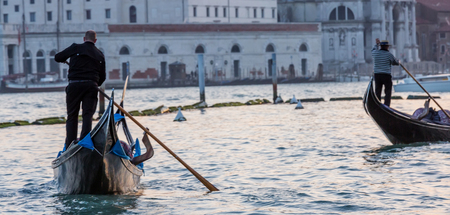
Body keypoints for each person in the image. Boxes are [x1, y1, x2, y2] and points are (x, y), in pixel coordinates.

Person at [55, 30, 106, 148]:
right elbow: (102, 78)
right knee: (87, 115)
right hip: (91, 86)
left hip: (74, 85)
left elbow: (58, 57)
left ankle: (70, 144)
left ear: (84, 39)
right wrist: (93, 83)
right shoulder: (99, 54)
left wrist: (65, 58)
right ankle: (84, 142)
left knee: (72, 115)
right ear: (95, 40)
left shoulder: (75, 48)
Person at [372, 38, 400, 107]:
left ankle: (377, 104)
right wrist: (398, 62)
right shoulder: (389, 55)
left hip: (377, 75)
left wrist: (377, 44)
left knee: (378, 91)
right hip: (386, 75)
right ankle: (386, 105)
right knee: (388, 90)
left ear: (381, 46)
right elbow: (395, 63)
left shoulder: (375, 53)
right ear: (387, 47)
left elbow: (373, 50)